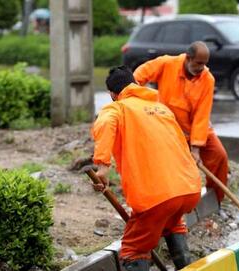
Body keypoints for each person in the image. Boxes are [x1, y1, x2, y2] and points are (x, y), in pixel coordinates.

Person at [92, 66, 202, 271]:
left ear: (112, 94)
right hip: (188, 189)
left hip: (158, 196)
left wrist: (102, 166)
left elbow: (105, 122)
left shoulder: (118, 108)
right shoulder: (161, 108)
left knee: (134, 247)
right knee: (172, 223)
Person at [133, 41, 229, 204]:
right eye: (199, 63)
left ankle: (215, 201)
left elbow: (201, 115)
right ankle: (175, 202)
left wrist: (196, 148)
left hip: (198, 130)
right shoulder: (167, 64)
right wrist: (138, 98)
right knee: (178, 169)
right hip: (170, 131)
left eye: (205, 64)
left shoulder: (207, 79)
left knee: (219, 156)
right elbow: (138, 76)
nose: (202, 68)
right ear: (188, 58)